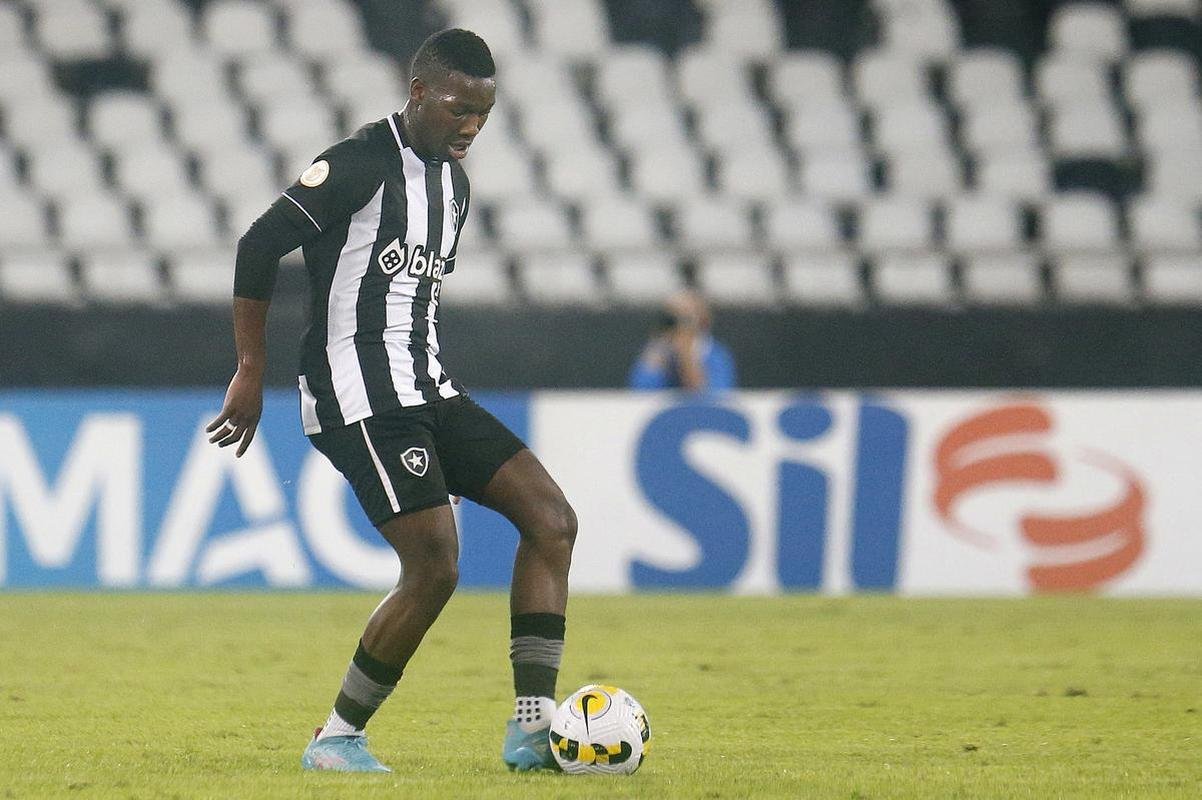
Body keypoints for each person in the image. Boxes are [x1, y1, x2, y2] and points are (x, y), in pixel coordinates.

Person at [205, 29, 576, 774]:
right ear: (417, 93)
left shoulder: (455, 187)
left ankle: (532, 729)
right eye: (458, 108)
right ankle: (336, 737)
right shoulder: (355, 165)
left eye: (485, 112)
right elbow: (256, 244)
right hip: (358, 396)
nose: (472, 125)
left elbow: (409, 299)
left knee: (552, 521)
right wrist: (251, 367)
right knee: (435, 565)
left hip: (429, 387)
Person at [628, 290, 737, 391]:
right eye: (673, 316)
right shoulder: (657, 351)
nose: (678, 324)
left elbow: (713, 397)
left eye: (685, 317)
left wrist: (686, 355)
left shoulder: (714, 353)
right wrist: (657, 362)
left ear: (703, 320)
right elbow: (640, 392)